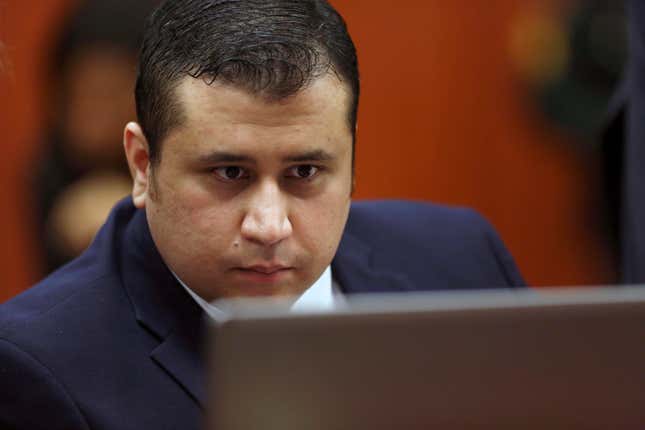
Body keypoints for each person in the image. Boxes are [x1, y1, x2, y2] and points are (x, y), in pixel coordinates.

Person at [0, 0, 525, 428]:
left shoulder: (462, 258)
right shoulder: (34, 368)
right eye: (229, 173)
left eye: (305, 172)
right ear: (143, 164)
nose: (270, 227)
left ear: (351, 159)